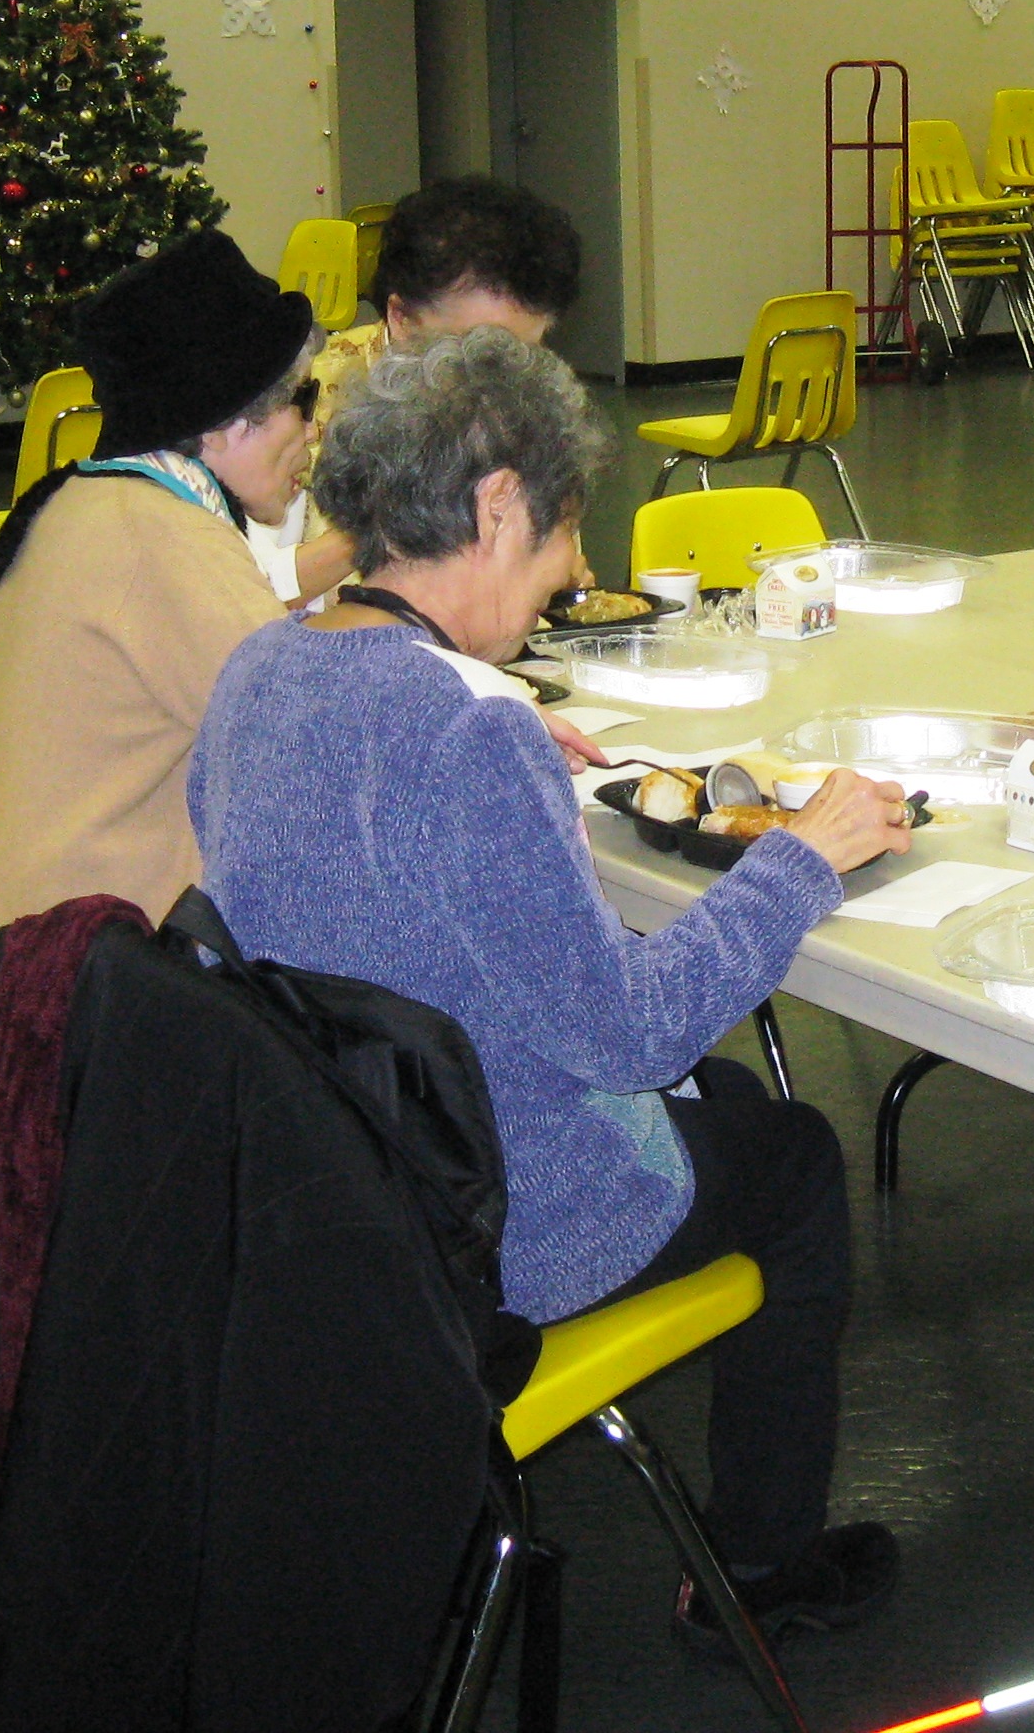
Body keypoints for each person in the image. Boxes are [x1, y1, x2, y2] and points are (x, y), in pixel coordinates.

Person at [190, 329, 916, 1653]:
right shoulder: (472, 734)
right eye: (566, 530)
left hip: (324, 1193)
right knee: (797, 1161)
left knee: (733, 1104)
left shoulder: (261, 667)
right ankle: (756, 1571)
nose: (578, 570)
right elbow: (627, 1037)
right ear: (493, 507)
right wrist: (800, 861)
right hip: (483, 1229)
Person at [0, 230, 319, 976]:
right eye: (300, 404)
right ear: (227, 421)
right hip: (77, 1002)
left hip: (10, 966)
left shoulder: (92, 503)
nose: (314, 431)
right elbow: (311, 738)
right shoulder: (158, 536)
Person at [280, 174, 584, 606]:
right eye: (479, 353)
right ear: (400, 318)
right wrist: (384, 533)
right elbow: (244, 593)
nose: (505, 383)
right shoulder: (301, 405)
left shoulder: (535, 398)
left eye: (526, 354)